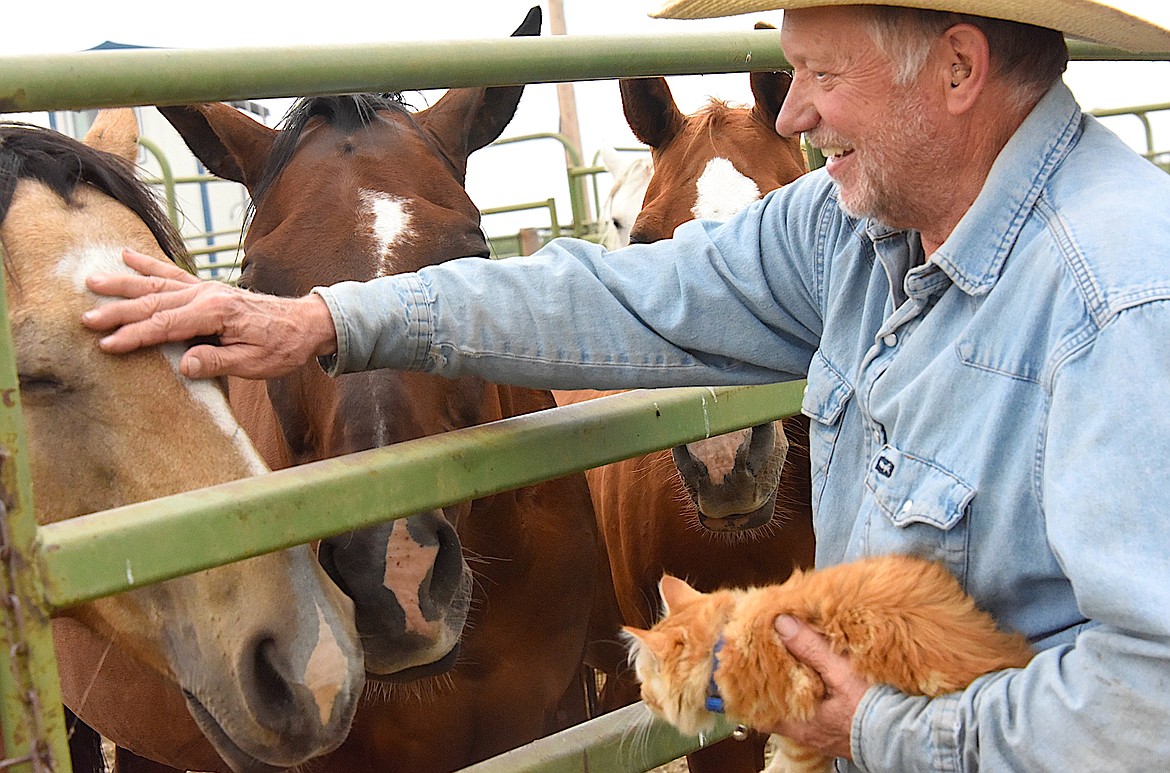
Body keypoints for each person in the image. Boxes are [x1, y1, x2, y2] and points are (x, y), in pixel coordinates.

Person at [82, 1, 1170, 769]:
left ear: (959, 70)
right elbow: (627, 295)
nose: (790, 117)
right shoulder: (858, 232)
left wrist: (883, 731)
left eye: (821, 77)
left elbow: (1153, 706)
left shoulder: (1119, 306)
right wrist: (328, 318)